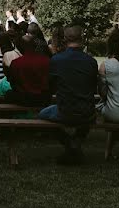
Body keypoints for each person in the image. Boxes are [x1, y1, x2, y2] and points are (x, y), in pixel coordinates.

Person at [39, 26, 98, 165]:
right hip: (87, 110)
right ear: (82, 40)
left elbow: (50, 85)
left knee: (42, 115)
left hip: (65, 110)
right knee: (87, 116)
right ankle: (76, 142)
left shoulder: (57, 60)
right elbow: (93, 86)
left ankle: (69, 143)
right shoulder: (91, 61)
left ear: (65, 40)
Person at [5, 34, 50, 106]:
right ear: (35, 45)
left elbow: (12, 81)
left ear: (21, 46)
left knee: (8, 94)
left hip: (23, 98)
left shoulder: (16, 63)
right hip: (43, 98)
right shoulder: (46, 60)